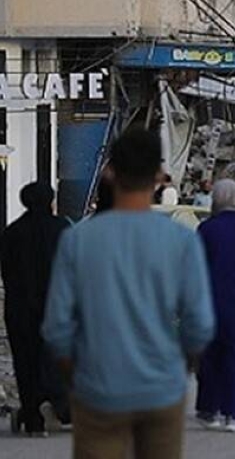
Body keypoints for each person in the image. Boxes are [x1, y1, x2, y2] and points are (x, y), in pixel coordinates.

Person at [42, 129, 215, 458]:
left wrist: (76, 375)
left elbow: (57, 328)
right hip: (162, 390)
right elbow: (200, 324)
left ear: (110, 172)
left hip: (98, 390)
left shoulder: (78, 240)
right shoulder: (181, 241)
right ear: (159, 176)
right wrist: (178, 366)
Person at [1, 182, 71, 436]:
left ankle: (33, 417)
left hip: (21, 308)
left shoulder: (12, 232)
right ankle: (58, 405)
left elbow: (7, 272)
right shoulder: (62, 229)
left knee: (26, 361)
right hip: (57, 307)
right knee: (56, 358)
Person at [195, 180, 235, 433]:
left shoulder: (206, 229)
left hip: (210, 299)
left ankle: (208, 409)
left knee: (211, 357)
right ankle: (234, 414)